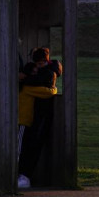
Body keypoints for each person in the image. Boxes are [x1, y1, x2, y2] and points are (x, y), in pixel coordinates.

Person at [17, 47, 63, 189]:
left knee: (23, 149)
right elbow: (49, 91)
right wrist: (53, 89)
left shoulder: (29, 84)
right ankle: (21, 176)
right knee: (24, 149)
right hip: (30, 119)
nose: (38, 68)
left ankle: (21, 176)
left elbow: (47, 91)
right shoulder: (48, 74)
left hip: (27, 120)